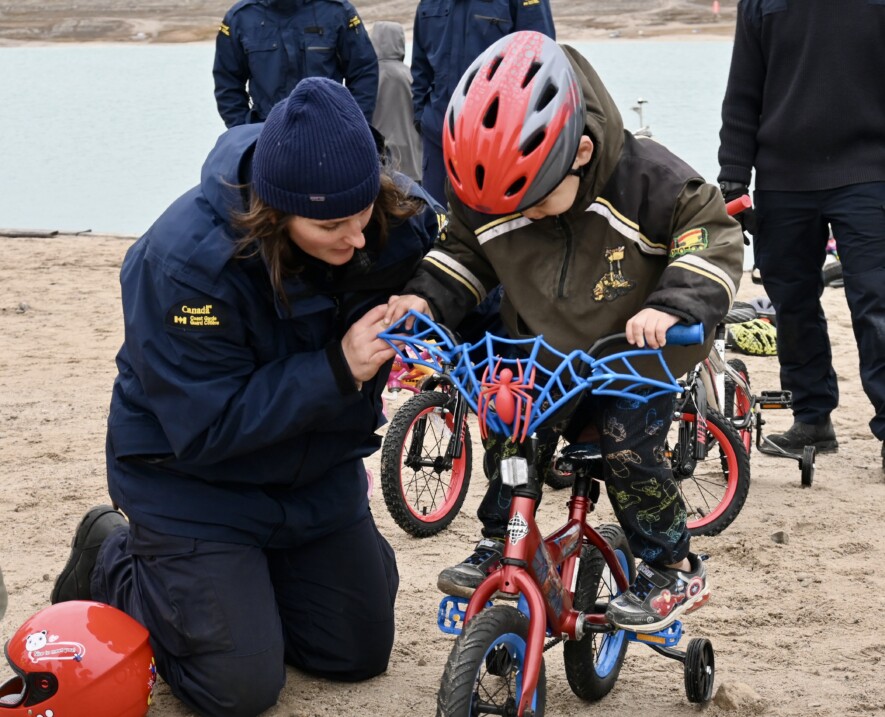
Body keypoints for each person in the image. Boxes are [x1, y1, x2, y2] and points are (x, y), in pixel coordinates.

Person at [50, 77, 440, 717]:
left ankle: (250, 587)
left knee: (356, 654)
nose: (359, 239)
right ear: (275, 211)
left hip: (317, 477)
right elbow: (205, 427)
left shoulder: (392, 213)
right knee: (238, 691)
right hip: (194, 484)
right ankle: (111, 556)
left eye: (364, 210)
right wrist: (338, 369)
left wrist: (438, 299)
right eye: (332, 225)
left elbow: (473, 267)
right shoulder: (181, 264)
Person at [385, 31, 744, 633]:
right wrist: (422, 301)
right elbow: (464, 255)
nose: (515, 216)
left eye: (530, 201)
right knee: (509, 418)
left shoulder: (651, 181)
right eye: (501, 206)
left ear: (578, 152)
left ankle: (673, 567)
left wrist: (676, 304)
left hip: (638, 354)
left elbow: (710, 238)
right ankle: (503, 540)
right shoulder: (494, 193)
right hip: (547, 348)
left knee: (627, 445)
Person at [718, 0, 885, 469]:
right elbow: (743, 90)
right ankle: (812, 419)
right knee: (790, 303)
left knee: (877, 303)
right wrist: (733, 177)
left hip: (870, 172)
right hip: (782, 179)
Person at [410, 0, 555, 205]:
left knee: (493, 226)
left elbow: (542, 62)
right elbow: (420, 67)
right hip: (438, 138)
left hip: (498, 141)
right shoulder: (428, 4)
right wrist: (422, 119)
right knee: (435, 223)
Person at [213, 0, 378, 128]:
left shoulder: (337, 12)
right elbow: (227, 83)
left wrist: (353, 126)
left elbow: (364, 73)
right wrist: (245, 132)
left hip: (329, 133)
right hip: (265, 137)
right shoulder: (240, 18)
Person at [369, 21, 423, 183]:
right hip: (411, 157)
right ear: (400, 42)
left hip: (379, 156)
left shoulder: (368, 77)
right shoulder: (411, 76)